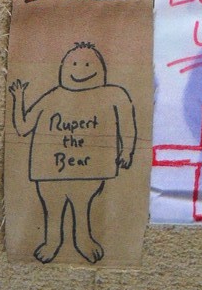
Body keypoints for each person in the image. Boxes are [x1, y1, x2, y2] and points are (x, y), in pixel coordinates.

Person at [9, 42, 136, 264]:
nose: (80, 70)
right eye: (74, 64)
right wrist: (18, 98)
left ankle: (83, 239)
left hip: (88, 169)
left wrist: (127, 151)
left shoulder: (113, 94)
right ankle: (52, 242)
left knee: (82, 204)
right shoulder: (52, 97)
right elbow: (23, 127)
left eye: (87, 64)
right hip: (49, 171)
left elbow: (127, 123)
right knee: (53, 207)